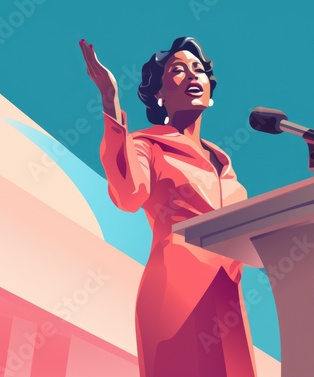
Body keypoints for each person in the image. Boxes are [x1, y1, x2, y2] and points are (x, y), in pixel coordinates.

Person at [79, 36, 257, 377]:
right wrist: (109, 101)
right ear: (158, 94)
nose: (192, 75)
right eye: (178, 70)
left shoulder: (225, 165)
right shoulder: (147, 146)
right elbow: (129, 194)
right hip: (176, 296)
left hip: (228, 302)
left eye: (198, 69)